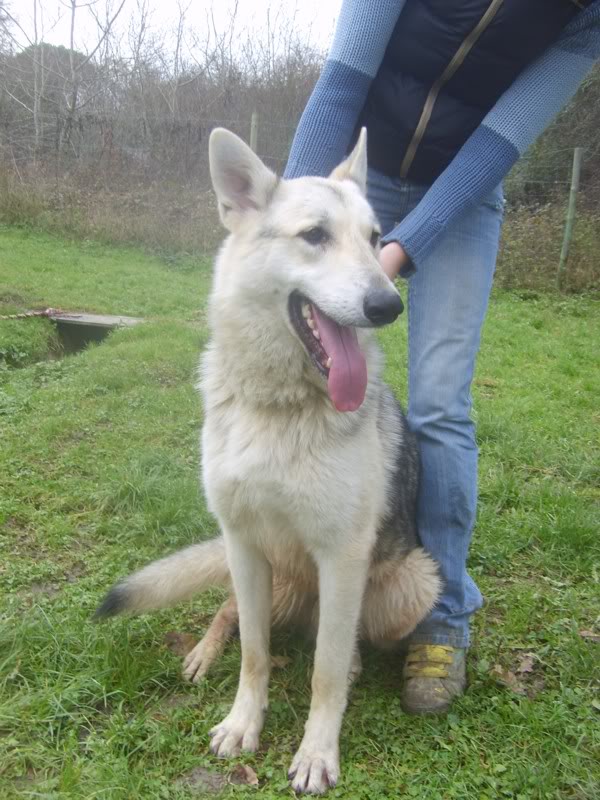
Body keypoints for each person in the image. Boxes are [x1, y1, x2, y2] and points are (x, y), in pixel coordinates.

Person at [285, 0, 600, 715]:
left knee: (437, 405)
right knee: (301, 375)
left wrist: (389, 256)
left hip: (462, 193)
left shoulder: (585, 16)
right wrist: (293, 222)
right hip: (357, 175)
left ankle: (444, 618)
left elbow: (498, 142)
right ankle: (300, 563)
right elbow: (342, 84)